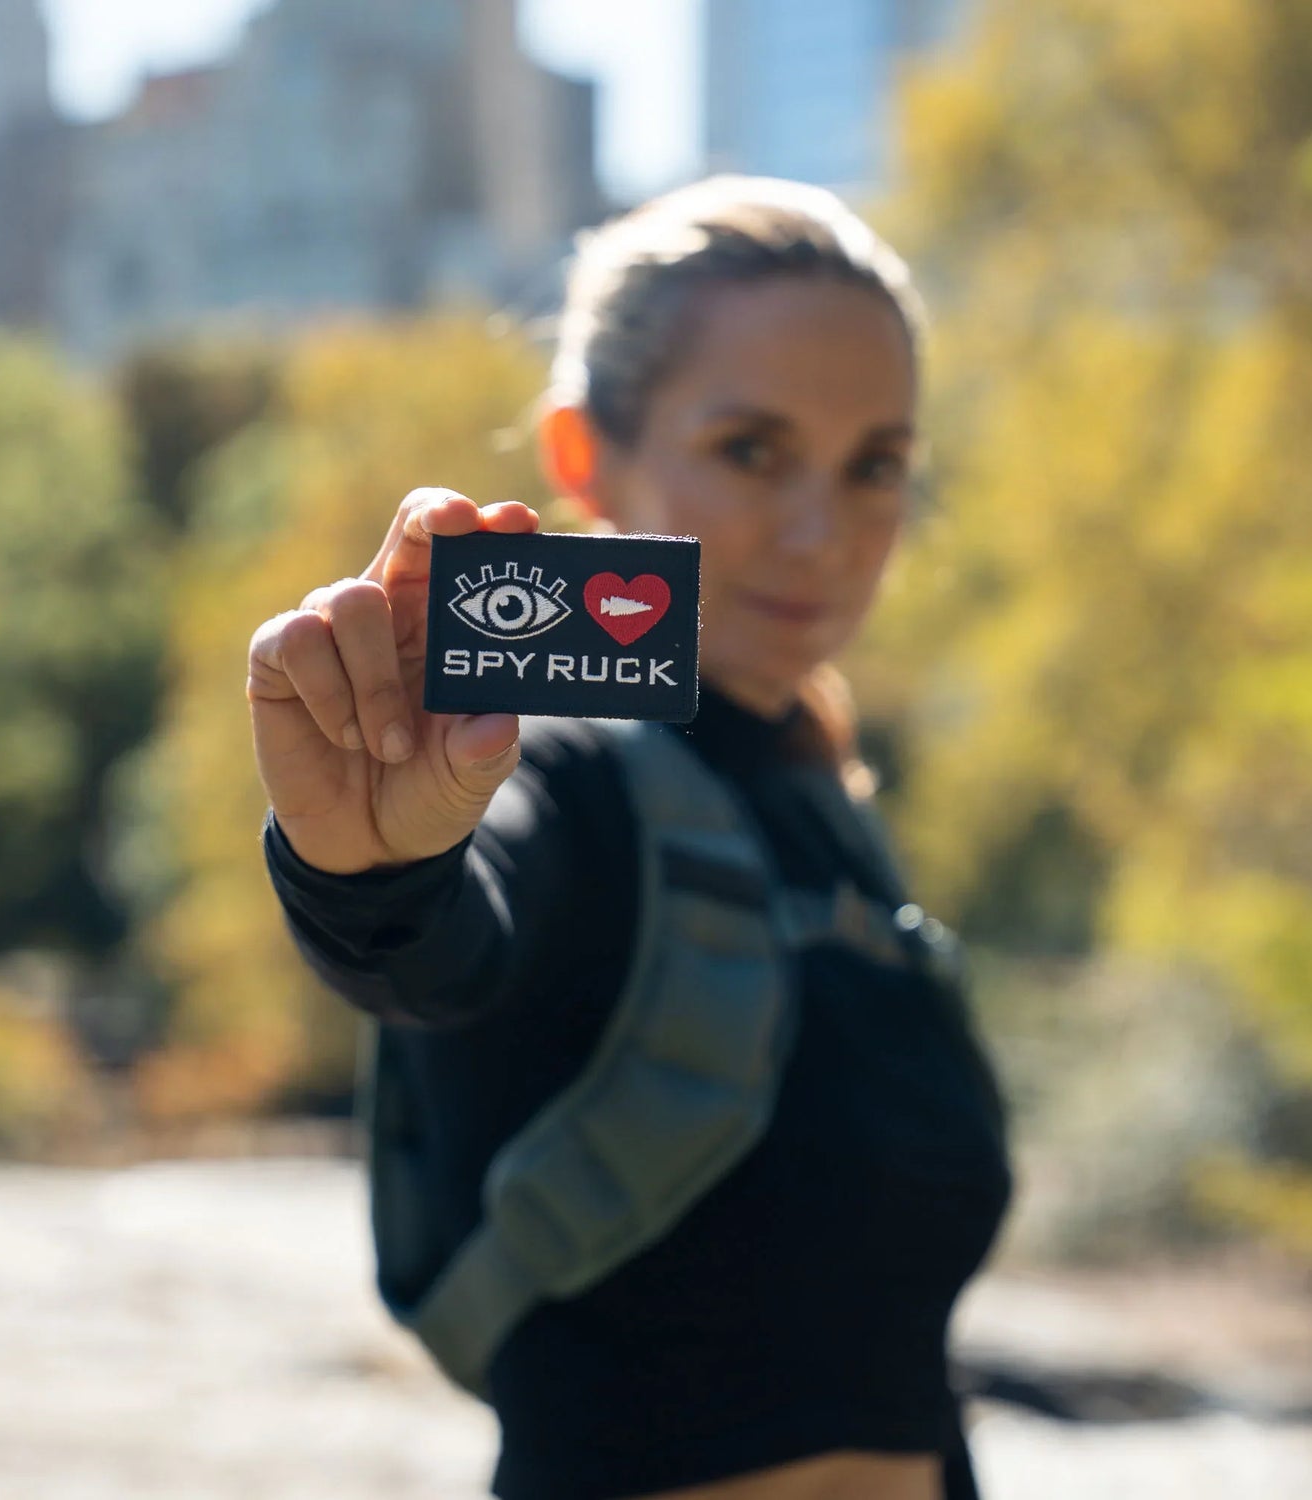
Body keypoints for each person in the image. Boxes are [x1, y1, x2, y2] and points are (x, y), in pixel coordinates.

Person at [247, 175, 1014, 1500]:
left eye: (874, 465)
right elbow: (444, 951)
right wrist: (371, 867)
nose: (820, 533)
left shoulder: (835, 818)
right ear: (583, 453)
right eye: (752, 450)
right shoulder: (555, 764)